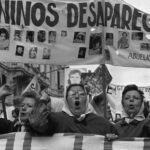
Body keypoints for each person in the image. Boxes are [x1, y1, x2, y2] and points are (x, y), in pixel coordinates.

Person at [28, 84, 118, 139]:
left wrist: (112, 140)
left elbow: (118, 141)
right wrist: (37, 125)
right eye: (72, 94)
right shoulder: (55, 119)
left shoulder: (102, 123)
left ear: (86, 99)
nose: (77, 97)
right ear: (66, 100)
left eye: (82, 94)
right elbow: (40, 127)